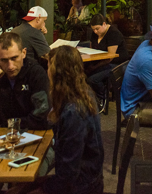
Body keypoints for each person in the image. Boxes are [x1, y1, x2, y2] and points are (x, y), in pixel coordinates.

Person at [31, 46, 104, 194]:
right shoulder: (84, 92)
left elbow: (68, 173)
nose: (47, 71)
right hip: (89, 178)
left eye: (49, 66)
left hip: (82, 186)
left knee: (23, 188)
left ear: (56, 72)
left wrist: (42, 189)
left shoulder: (74, 112)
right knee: (25, 185)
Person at [0, 31, 50, 130]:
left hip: (32, 134)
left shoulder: (36, 74)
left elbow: (41, 116)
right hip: (4, 136)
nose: (10, 66)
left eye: (14, 58)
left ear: (24, 53)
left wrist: (11, 125)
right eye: (4, 60)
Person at [83, 13, 128, 110]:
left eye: (97, 29)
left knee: (93, 79)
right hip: (101, 62)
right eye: (93, 29)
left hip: (116, 64)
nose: (95, 31)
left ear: (104, 24)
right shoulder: (95, 34)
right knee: (82, 73)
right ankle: (89, 99)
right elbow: (92, 51)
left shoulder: (113, 33)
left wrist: (94, 67)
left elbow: (110, 57)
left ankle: (102, 99)